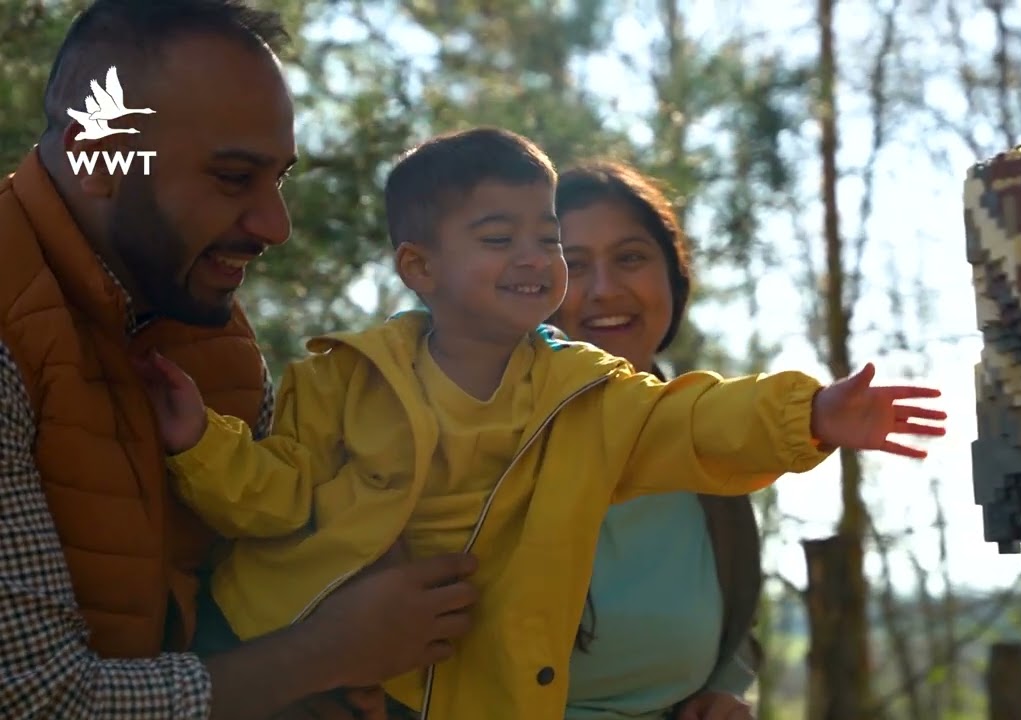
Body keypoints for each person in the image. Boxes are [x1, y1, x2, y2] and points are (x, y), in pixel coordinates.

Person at [133, 126, 949, 720]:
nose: (536, 258)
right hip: (308, 676)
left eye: (544, 239)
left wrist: (806, 411)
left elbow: (693, 422)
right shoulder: (345, 377)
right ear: (421, 267)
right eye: (500, 238)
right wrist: (200, 445)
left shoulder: (589, 395)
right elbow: (279, 499)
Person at [0, 2, 477, 718]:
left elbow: (250, 599)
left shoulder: (206, 330)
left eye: (279, 179)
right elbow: (38, 700)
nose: (275, 226)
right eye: (232, 178)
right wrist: (328, 652)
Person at [552, 161, 763, 720]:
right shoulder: (481, 440)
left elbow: (732, 619)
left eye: (630, 258)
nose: (605, 290)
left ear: (673, 276)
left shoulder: (710, 436)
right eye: (573, 266)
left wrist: (727, 689)